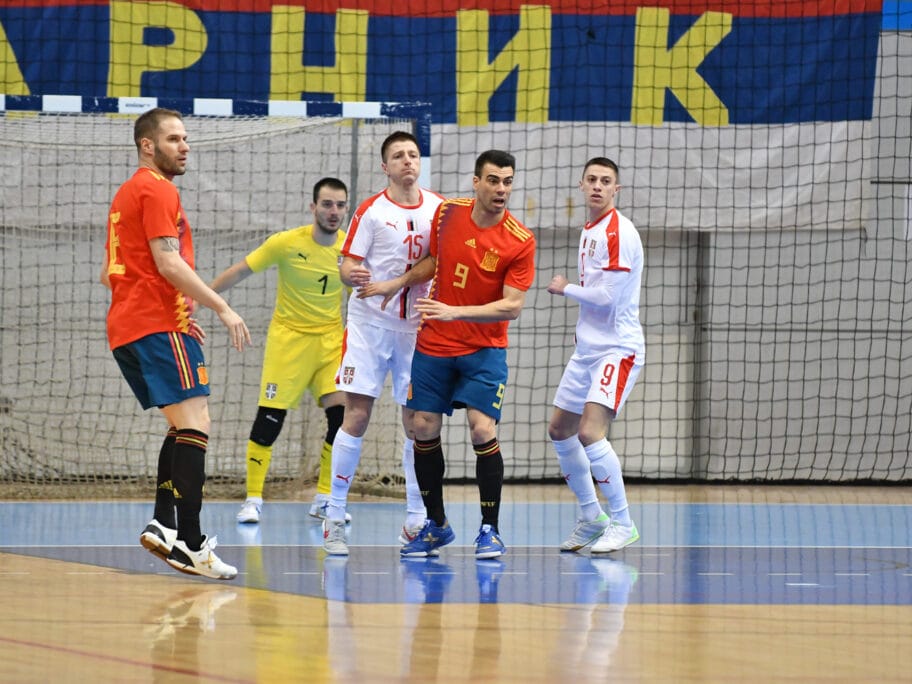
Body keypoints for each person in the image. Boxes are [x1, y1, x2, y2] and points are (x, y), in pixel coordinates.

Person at [100, 107, 251, 580]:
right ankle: (190, 541)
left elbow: (125, 269)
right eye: (173, 139)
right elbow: (167, 262)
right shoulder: (158, 188)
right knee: (197, 423)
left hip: (132, 325)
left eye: (185, 138)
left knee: (183, 423)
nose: (184, 146)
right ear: (148, 145)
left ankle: (165, 525)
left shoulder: (128, 192)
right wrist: (219, 307)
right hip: (156, 324)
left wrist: (183, 310)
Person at [397, 149, 537, 559]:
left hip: (484, 348)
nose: (501, 189)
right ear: (476, 182)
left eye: (508, 181)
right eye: (493, 180)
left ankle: (490, 530)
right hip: (435, 343)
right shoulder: (447, 214)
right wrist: (395, 284)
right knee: (421, 426)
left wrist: (454, 311)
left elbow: (512, 306)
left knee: (481, 429)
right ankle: (436, 525)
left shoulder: (520, 240)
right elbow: (433, 259)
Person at [321, 131, 445, 556]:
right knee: (356, 413)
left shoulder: (438, 208)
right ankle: (334, 516)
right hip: (370, 325)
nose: (408, 161)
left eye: (413, 154)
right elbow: (348, 265)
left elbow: (440, 260)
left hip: (415, 329)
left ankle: (415, 518)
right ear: (385, 166)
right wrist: (350, 274)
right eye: (398, 156)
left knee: (418, 422)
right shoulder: (371, 212)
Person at [210, 178, 351, 526]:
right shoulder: (286, 243)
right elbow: (240, 270)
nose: (333, 212)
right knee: (269, 423)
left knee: (342, 417)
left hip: (330, 344)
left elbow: (365, 290)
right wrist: (202, 299)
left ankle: (324, 498)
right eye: (327, 204)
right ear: (313, 207)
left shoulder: (350, 249)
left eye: (340, 205)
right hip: (288, 344)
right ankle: (253, 499)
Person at [546, 157, 643, 553]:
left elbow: (607, 297)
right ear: (582, 185)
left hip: (617, 350)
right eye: (592, 180)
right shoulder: (590, 229)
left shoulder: (619, 232)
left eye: (606, 181)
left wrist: (565, 288)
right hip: (587, 350)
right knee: (559, 429)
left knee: (589, 432)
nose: (598, 186)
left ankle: (623, 522)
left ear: (616, 189)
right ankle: (591, 517)